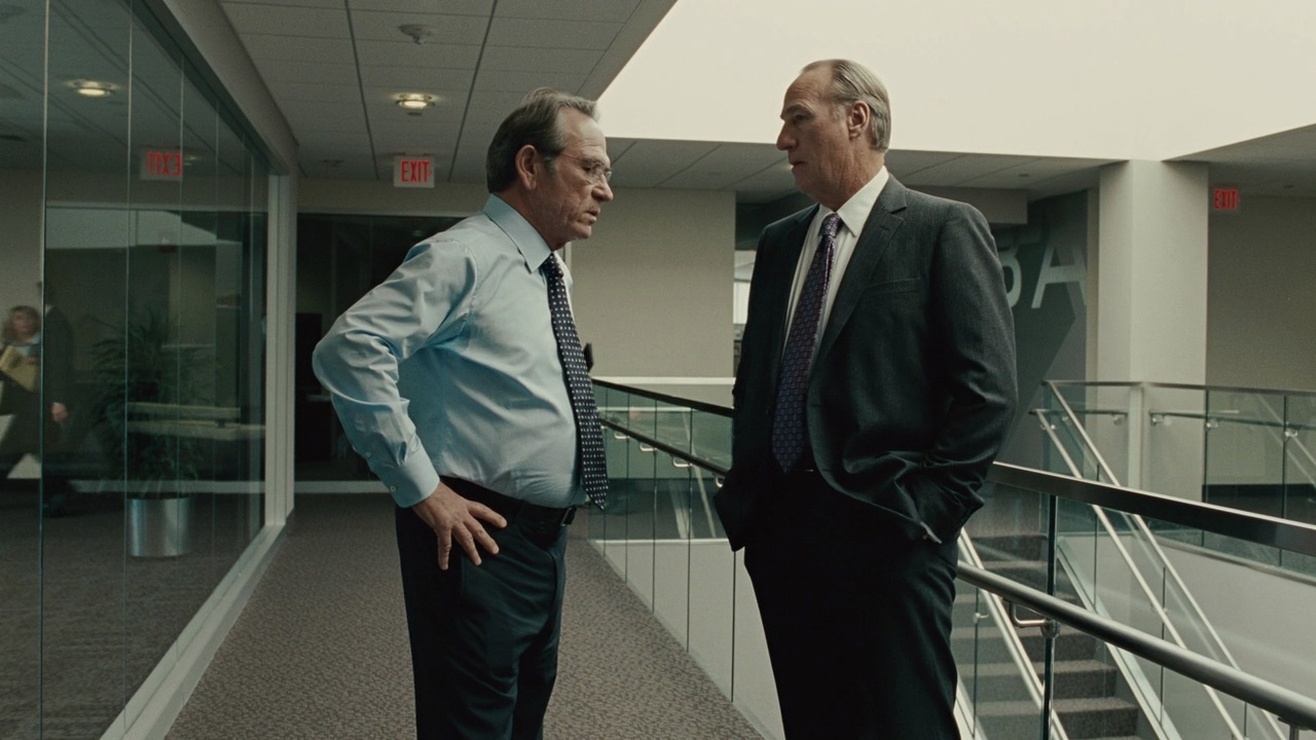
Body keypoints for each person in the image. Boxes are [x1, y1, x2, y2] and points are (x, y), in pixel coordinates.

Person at [714, 59, 1017, 739]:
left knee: (905, 725)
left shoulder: (942, 228)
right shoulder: (780, 243)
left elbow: (987, 393)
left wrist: (928, 517)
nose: (782, 139)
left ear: (857, 119)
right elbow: (756, 380)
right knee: (814, 722)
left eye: (798, 118)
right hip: (783, 539)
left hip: (890, 537)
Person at [313, 87, 613, 739]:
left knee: (522, 716)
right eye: (590, 168)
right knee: (471, 723)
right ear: (529, 166)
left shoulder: (549, 273)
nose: (605, 190)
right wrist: (423, 489)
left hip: (543, 544)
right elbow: (349, 350)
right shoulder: (464, 255)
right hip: (477, 535)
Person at [0, 304, 73, 515]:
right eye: (19, 318)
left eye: (29, 318)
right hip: (23, 407)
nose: (24, 323)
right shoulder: (9, 347)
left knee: (17, 452)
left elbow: (59, 370)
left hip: (42, 404)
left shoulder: (45, 344)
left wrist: (37, 364)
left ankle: (56, 499)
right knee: (39, 452)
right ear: (12, 323)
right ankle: (57, 498)